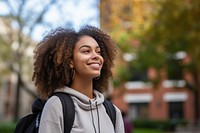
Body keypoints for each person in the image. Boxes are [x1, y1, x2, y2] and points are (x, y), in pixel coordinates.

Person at [32, 25, 125, 133]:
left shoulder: (112, 111)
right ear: (70, 61)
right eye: (86, 51)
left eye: (98, 52)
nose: (96, 56)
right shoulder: (57, 105)